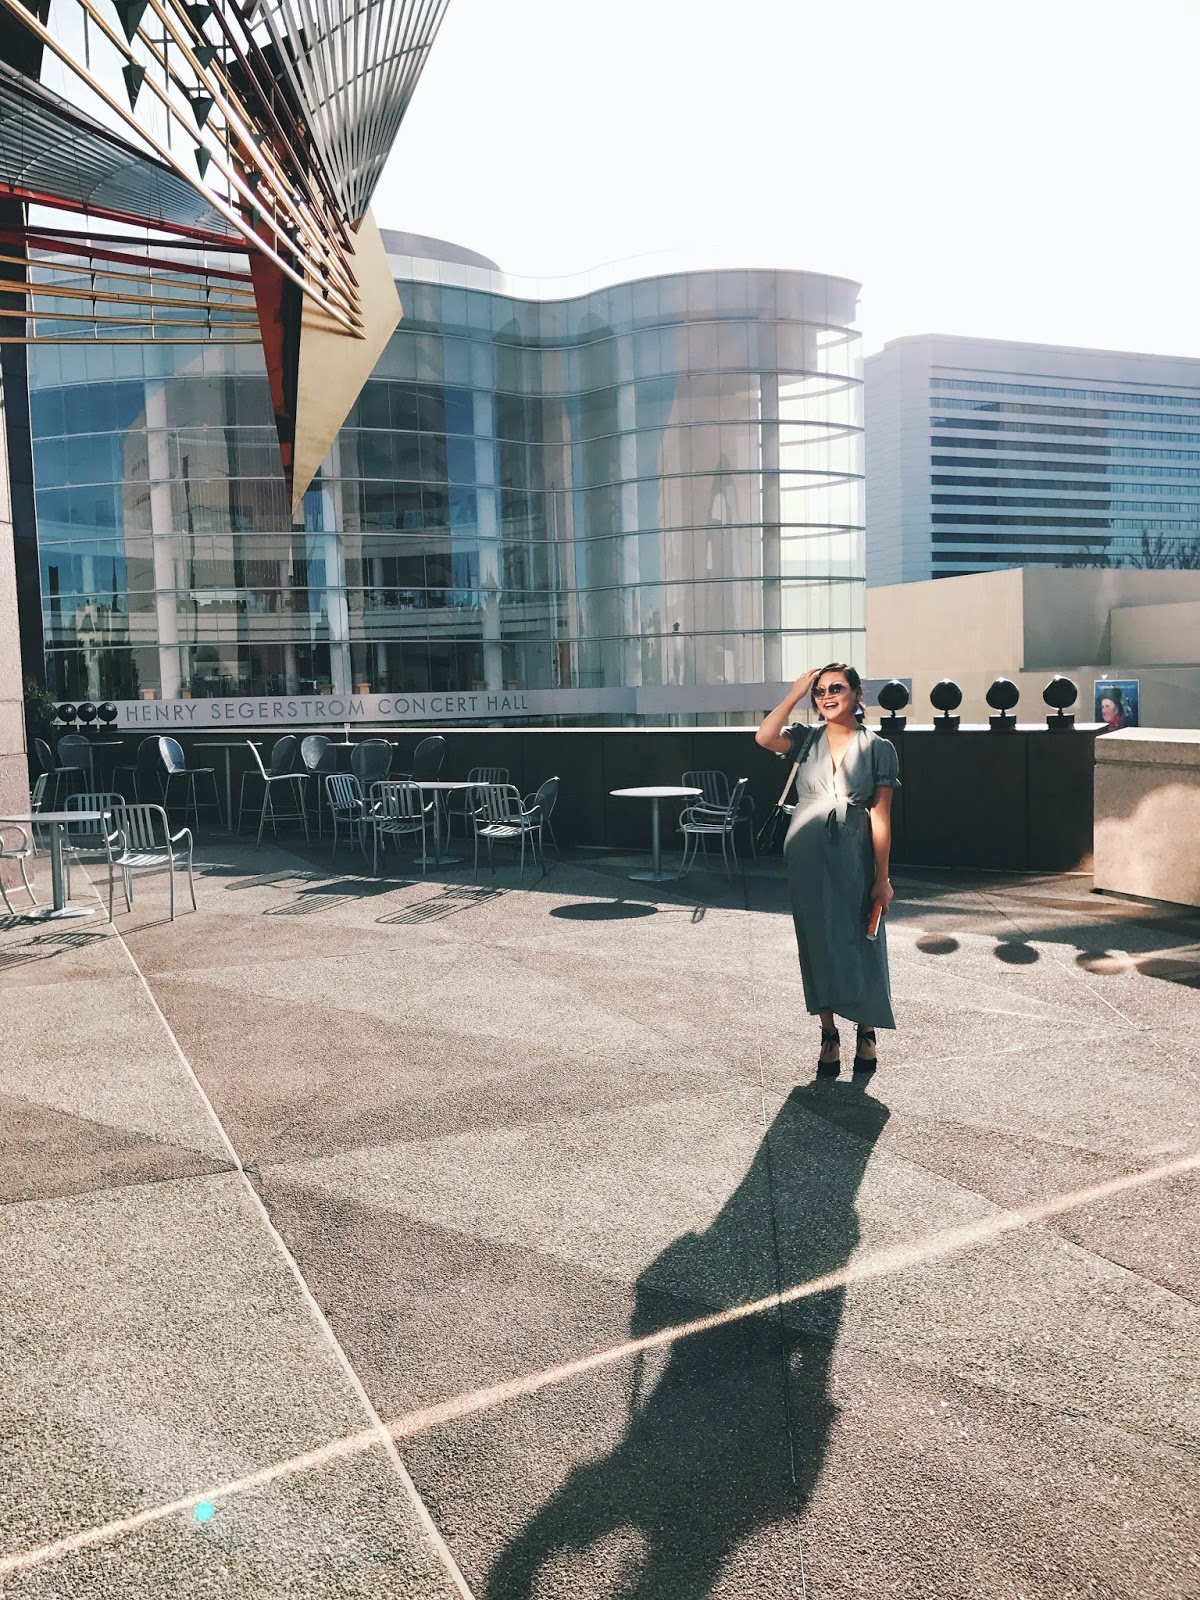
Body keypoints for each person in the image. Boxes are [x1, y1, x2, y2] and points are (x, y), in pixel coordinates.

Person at [755, 664, 899, 1076]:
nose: (826, 696)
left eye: (836, 688)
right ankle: (828, 1033)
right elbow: (764, 737)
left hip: (854, 852)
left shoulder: (878, 747)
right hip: (806, 853)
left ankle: (866, 1028)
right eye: (819, 691)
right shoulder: (805, 738)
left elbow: (881, 817)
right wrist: (794, 694)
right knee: (815, 940)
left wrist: (883, 878)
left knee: (861, 938)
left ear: (857, 693)